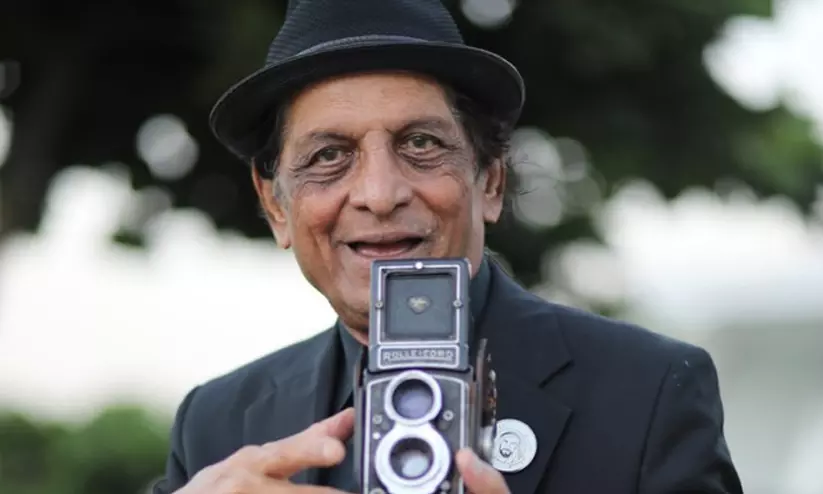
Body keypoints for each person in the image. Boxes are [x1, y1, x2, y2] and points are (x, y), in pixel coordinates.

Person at [152, 0, 744, 493]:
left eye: (421, 144)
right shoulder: (216, 424)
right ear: (277, 206)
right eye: (329, 156)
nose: (380, 195)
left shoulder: (648, 392)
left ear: (490, 182)